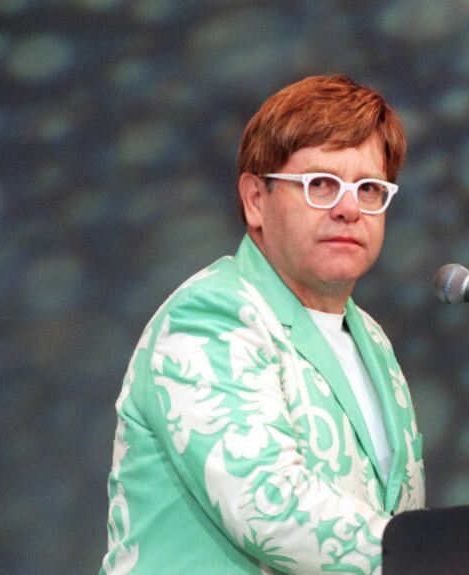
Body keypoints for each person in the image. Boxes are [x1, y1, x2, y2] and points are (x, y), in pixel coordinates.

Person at [100, 75, 425, 575]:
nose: (347, 208)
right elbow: (270, 507)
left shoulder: (372, 338)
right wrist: (443, 557)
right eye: (320, 184)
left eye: (369, 188)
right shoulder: (209, 317)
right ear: (255, 199)